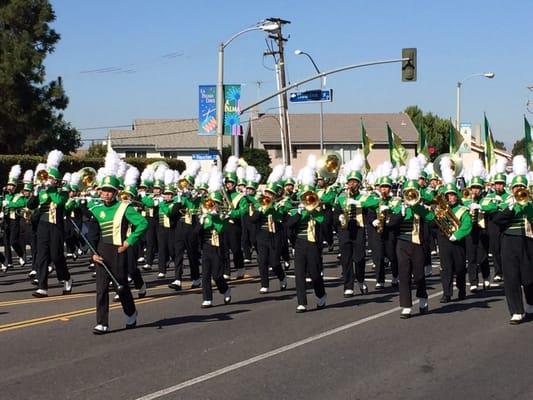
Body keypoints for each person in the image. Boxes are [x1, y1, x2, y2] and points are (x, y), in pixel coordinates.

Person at [90, 173, 148, 334]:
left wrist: (128, 242)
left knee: (120, 287)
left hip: (117, 251)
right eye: (103, 190)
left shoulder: (124, 208)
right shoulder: (96, 209)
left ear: (115, 193)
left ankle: (131, 313)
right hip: (101, 252)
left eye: (109, 191)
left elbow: (142, 223)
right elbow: (92, 236)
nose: (106, 194)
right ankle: (102, 323)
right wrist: (92, 254)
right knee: (101, 289)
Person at [492, 157, 533, 324]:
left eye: (521, 187)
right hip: (509, 242)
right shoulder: (506, 202)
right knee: (511, 277)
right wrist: (513, 207)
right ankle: (516, 311)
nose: (518, 190)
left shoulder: (530, 203)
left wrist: (527, 206)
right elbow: (498, 220)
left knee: (529, 276)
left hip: (528, 241)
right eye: (516, 187)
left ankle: (530, 303)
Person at [28, 153, 73, 298]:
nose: (48, 180)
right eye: (47, 178)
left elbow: (59, 202)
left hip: (56, 226)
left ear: (56, 180)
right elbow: (30, 206)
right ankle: (42, 287)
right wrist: (35, 194)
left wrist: (50, 189)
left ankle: (66, 277)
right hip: (42, 225)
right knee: (42, 256)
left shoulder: (62, 191)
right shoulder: (42, 190)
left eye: (51, 178)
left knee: (56, 255)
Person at [285, 165, 326, 313]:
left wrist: (313, 210)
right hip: (299, 244)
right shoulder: (295, 211)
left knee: (315, 274)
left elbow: (323, 221)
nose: (307, 200)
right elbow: (288, 225)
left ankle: (321, 294)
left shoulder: (318, 211)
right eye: (305, 197)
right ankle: (302, 302)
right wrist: (300, 213)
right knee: (299, 274)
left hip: (313, 244)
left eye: (310, 197)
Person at [334, 163, 378, 297]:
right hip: (345, 230)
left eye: (354, 182)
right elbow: (335, 214)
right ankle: (348, 286)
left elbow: (376, 202)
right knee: (346, 260)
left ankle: (360, 279)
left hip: (358, 230)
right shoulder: (341, 197)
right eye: (350, 182)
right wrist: (339, 216)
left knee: (359, 259)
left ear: (359, 184)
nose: (351, 184)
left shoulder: (364, 197)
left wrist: (358, 203)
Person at [433, 180, 472, 303]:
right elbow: (433, 223)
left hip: (458, 241)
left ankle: (461, 289)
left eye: (453, 194)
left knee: (460, 267)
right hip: (444, 241)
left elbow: (467, 225)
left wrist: (457, 235)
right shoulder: (440, 209)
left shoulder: (462, 210)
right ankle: (447, 293)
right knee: (446, 268)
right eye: (448, 195)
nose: (451, 197)